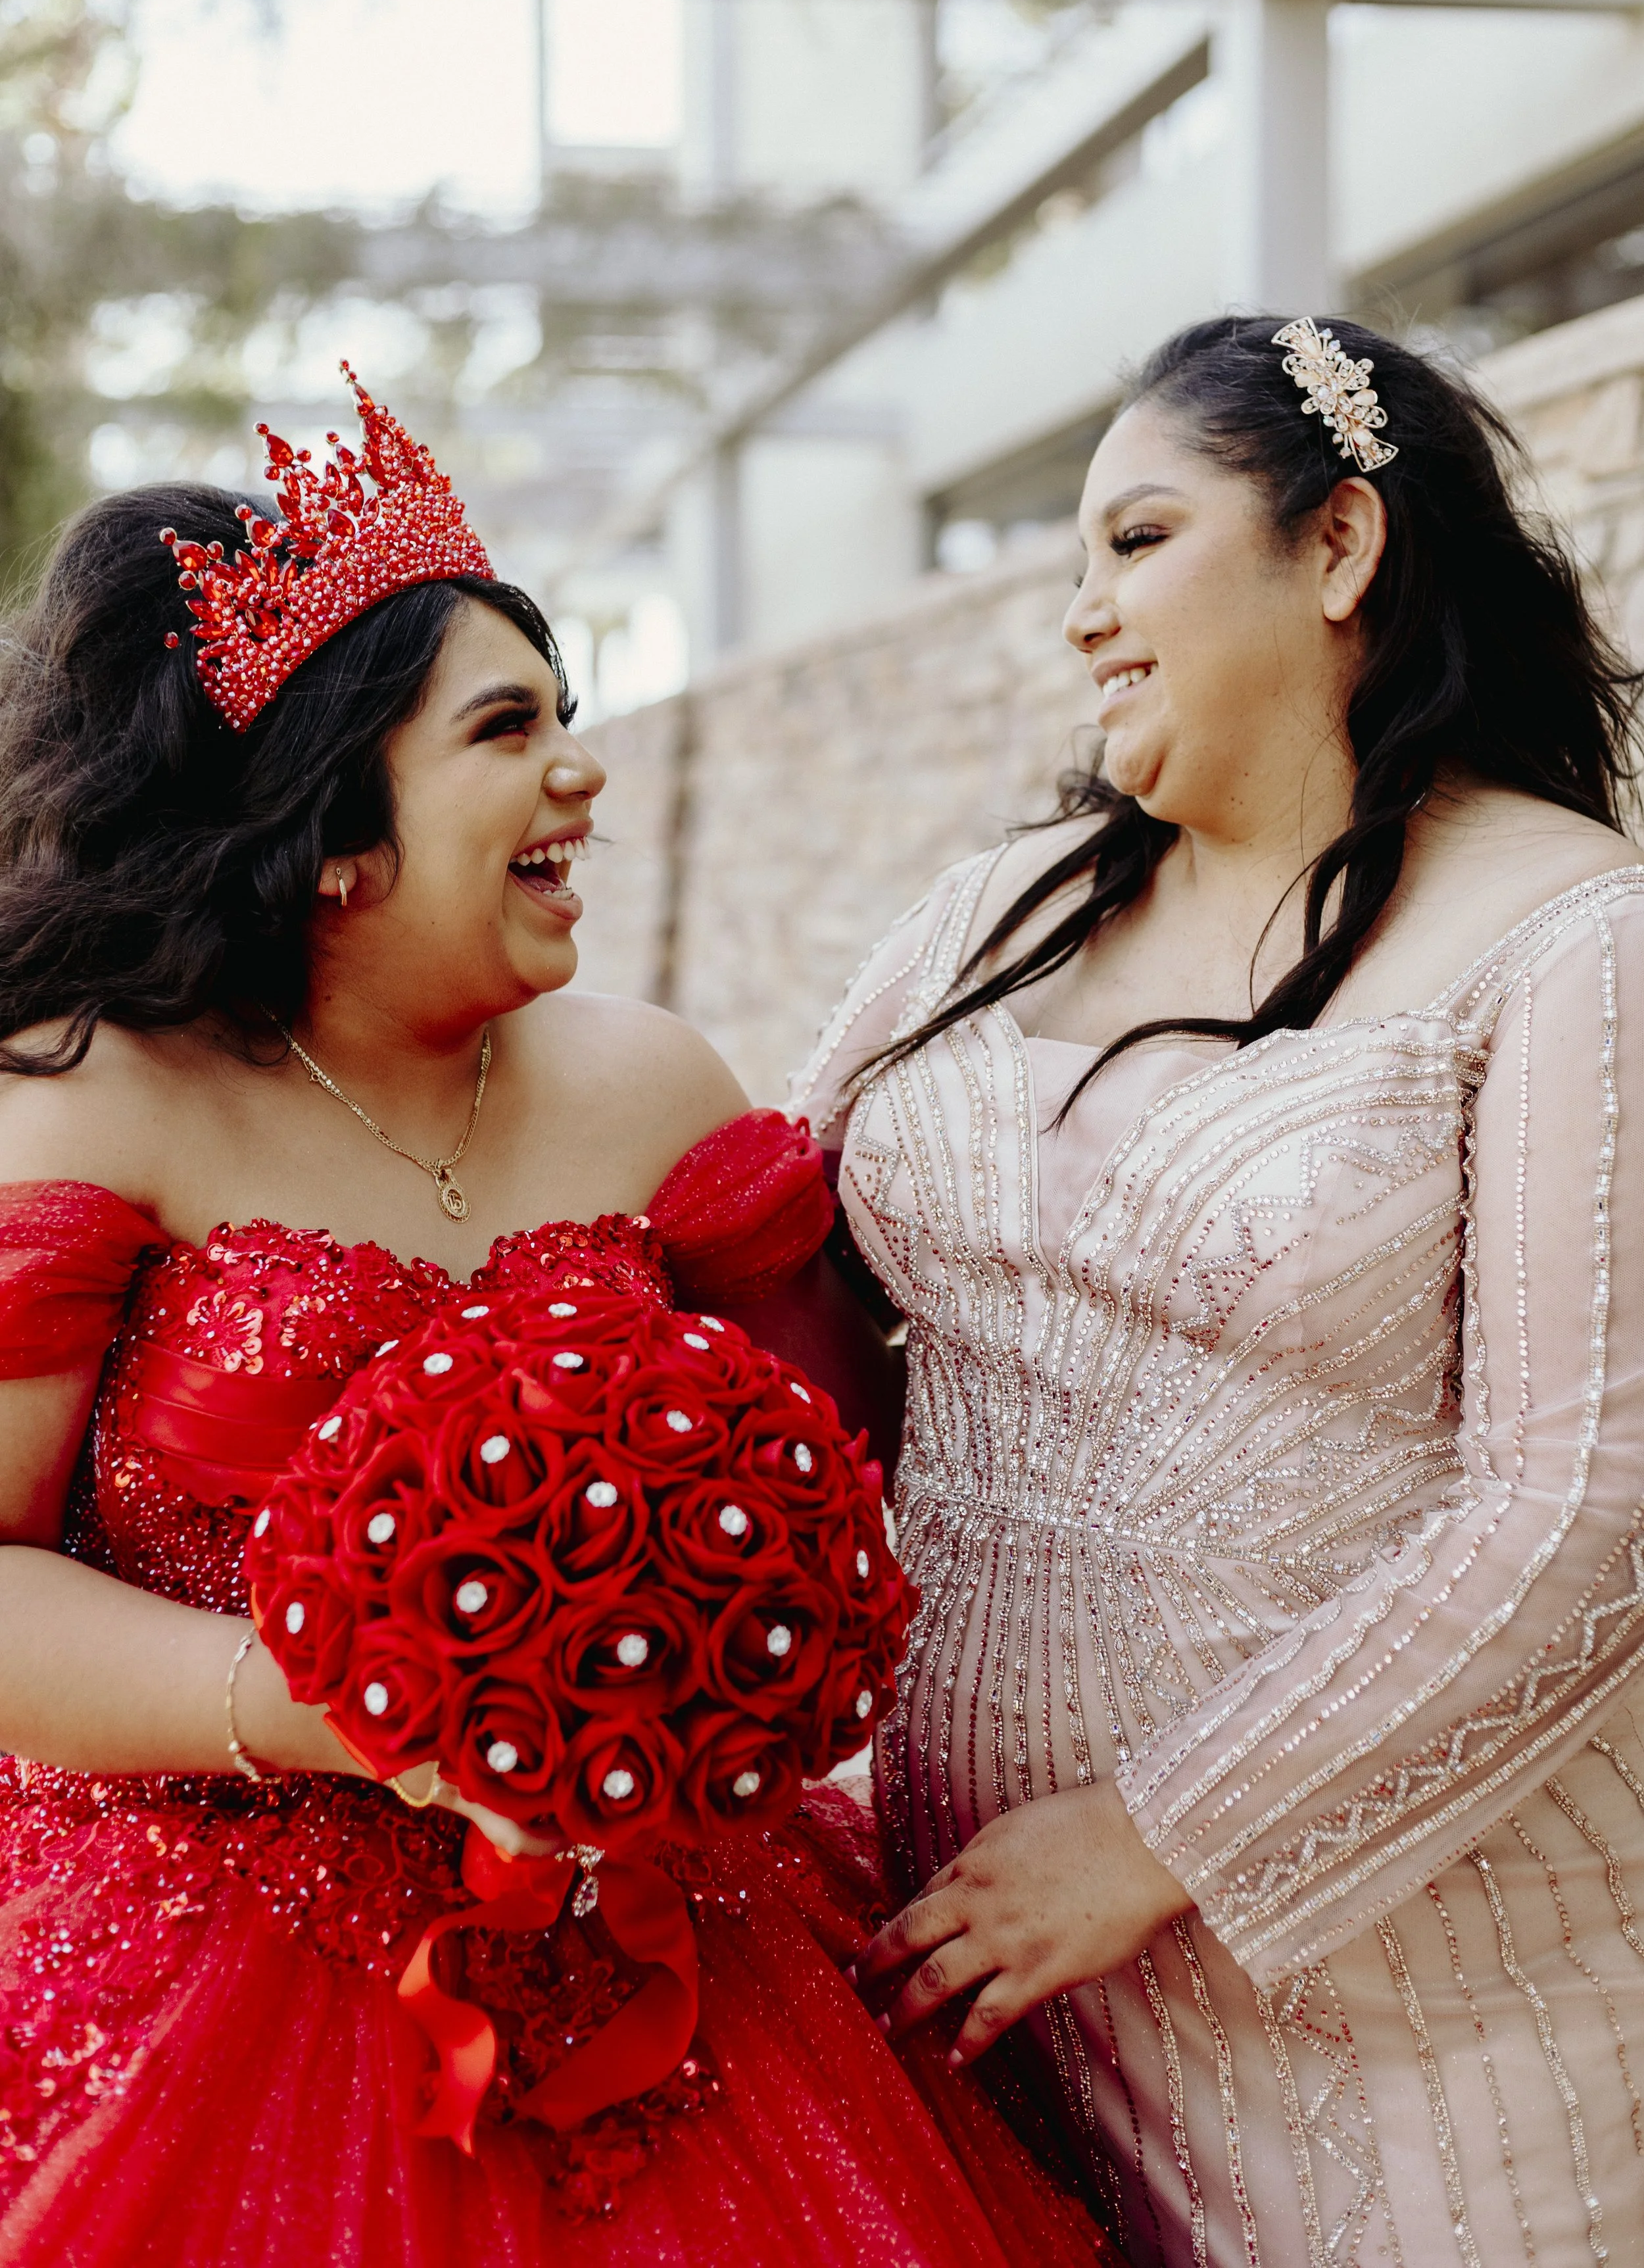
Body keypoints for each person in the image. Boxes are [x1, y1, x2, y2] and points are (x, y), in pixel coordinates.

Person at [0, 374, 1111, 2267]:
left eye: (565, 714)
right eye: (508, 728)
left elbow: (838, 1478)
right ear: (331, 825)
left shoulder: (652, 1086)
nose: (578, 773)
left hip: (673, 1943)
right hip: (201, 1948)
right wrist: (349, 1710)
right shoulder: (99, 1097)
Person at [798, 312, 1644, 2267]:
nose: (1081, 612)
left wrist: (1150, 1837)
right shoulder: (991, 915)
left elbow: (1588, 1503)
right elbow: (759, 1267)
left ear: (1337, 546)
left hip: (1414, 2018)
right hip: (977, 1985)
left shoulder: (1569, 936)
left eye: (1138, 538)